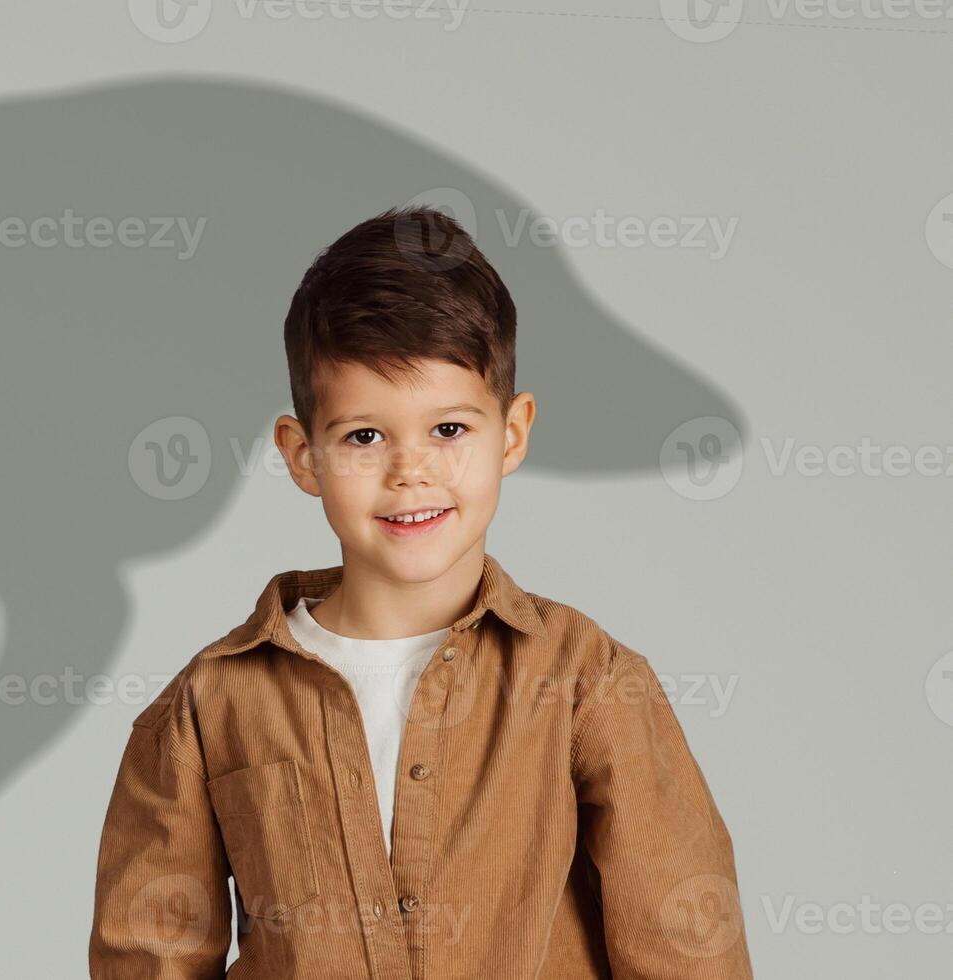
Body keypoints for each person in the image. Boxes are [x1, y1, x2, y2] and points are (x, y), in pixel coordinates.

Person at [87, 206, 753, 978]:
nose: (411, 471)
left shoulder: (585, 682)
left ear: (510, 433)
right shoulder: (208, 706)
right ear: (301, 456)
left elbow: (687, 949)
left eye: (448, 430)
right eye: (363, 437)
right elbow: (149, 956)